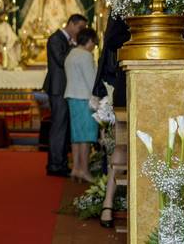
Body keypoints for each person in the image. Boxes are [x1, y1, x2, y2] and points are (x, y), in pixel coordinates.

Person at [92, 15, 130, 228]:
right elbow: (111, 43)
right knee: (121, 143)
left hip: (165, 74)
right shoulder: (125, 3)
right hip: (129, 77)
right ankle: (108, 202)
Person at [43, 13, 87, 176]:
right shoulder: (55, 39)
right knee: (58, 126)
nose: (80, 32)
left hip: (64, 87)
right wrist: (76, 48)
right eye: (80, 28)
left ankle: (61, 162)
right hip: (57, 88)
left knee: (63, 126)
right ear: (71, 24)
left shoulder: (67, 41)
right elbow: (62, 60)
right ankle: (55, 165)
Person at [64, 27, 99, 183]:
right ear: (89, 40)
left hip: (72, 97)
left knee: (76, 136)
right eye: (94, 42)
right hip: (85, 99)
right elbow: (91, 81)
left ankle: (76, 168)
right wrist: (99, 100)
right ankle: (84, 170)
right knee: (85, 136)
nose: (94, 46)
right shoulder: (85, 55)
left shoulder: (71, 54)